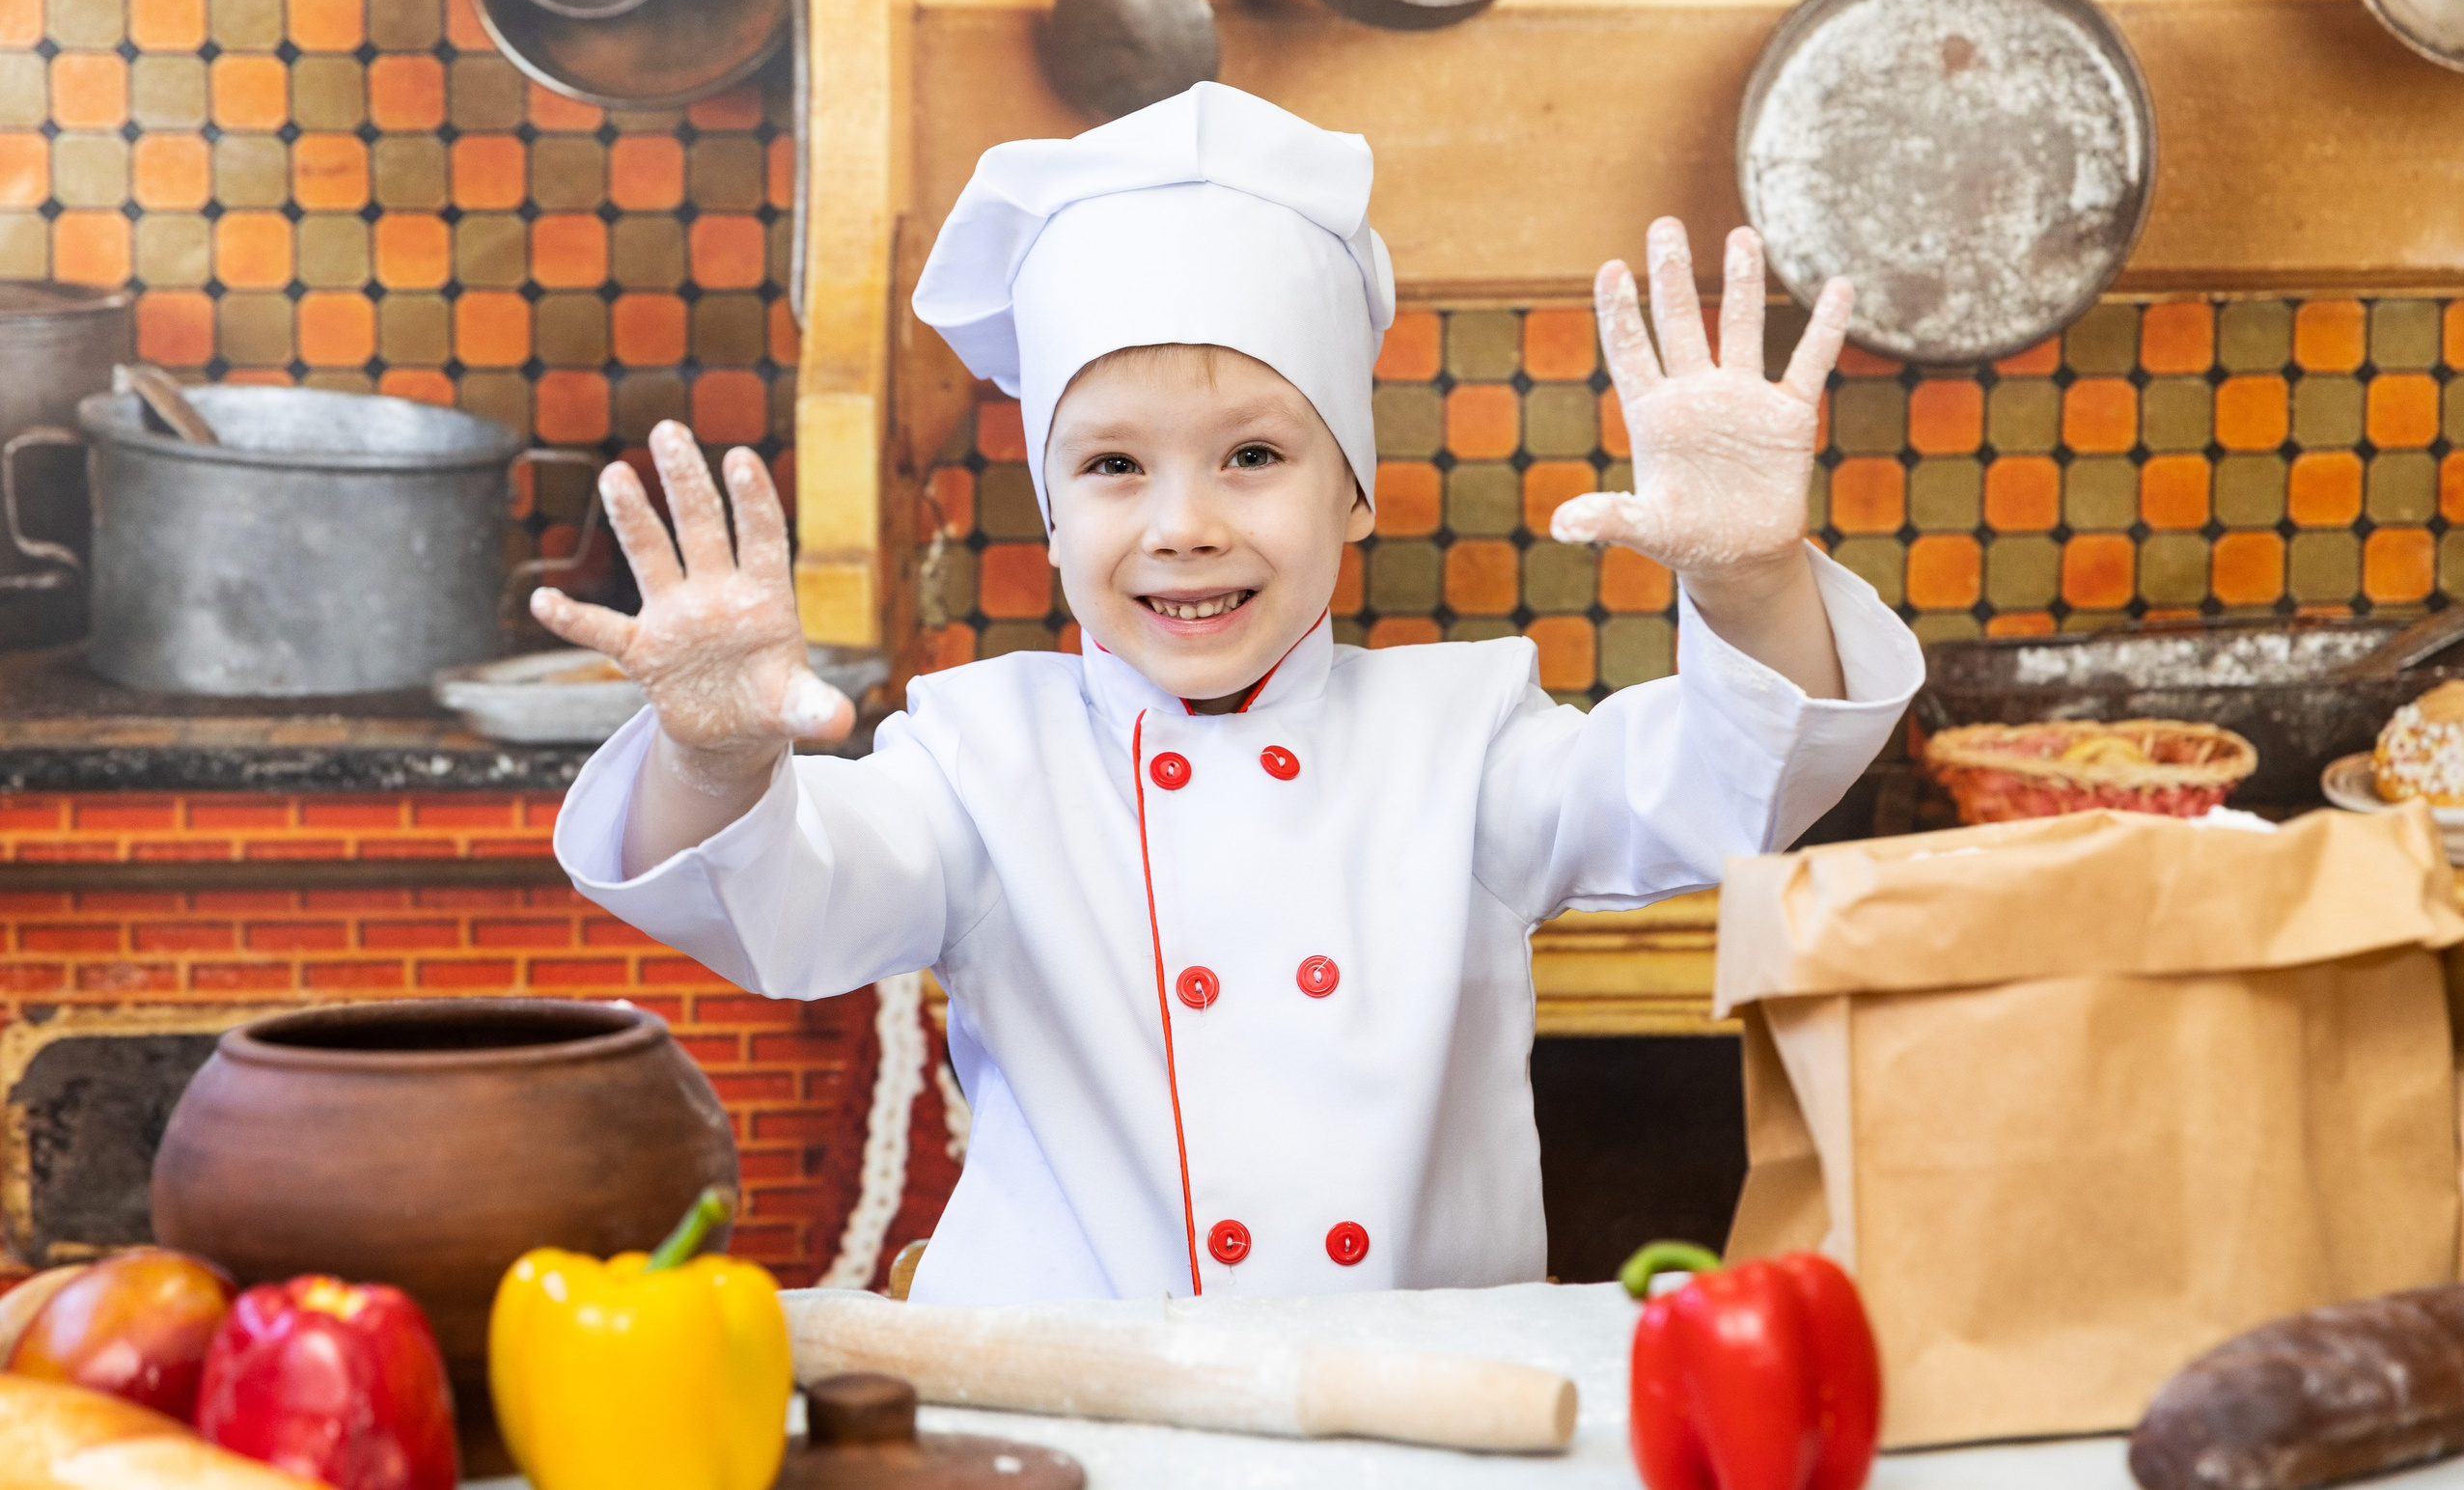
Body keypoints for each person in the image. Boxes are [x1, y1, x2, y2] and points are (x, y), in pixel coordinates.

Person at [535, 82, 1923, 1307]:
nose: (1184, 524)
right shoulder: (976, 758)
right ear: (1052, 507)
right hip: (1082, 1429)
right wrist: (710, 756)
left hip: (1408, 1441)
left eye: (1253, 455)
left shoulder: (1463, 742)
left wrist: (1749, 583)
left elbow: (1720, 784)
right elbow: (788, 894)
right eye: (1114, 467)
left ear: (1355, 488)